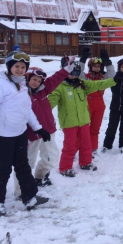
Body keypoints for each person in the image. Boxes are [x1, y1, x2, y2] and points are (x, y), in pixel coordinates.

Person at [0, 51, 50, 217]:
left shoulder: (23, 85)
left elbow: (27, 110)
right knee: (3, 169)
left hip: (19, 133)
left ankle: (30, 197)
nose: (19, 69)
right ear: (9, 67)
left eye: (23, 67)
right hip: (1, 135)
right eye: (16, 66)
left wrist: (38, 128)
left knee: (23, 166)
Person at [13, 60, 75, 198]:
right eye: (34, 79)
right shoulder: (21, 94)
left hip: (48, 132)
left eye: (39, 81)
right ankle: (20, 191)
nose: (36, 83)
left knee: (51, 158)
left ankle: (39, 177)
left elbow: (54, 79)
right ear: (27, 78)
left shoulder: (42, 92)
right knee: (26, 164)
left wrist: (67, 69)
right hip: (31, 136)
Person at [48, 62, 116, 176]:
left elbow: (98, 84)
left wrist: (114, 80)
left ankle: (85, 163)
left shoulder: (82, 84)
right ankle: (65, 167)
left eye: (76, 72)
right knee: (70, 145)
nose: (73, 75)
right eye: (70, 72)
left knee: (86, 144)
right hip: (69, 122)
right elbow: (50, 102)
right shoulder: (59, 87)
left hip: (83, 121)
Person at [78, 48, 116, 157]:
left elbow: (112, 76)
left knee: (95, 129)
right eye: (94, 66)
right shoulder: (86, 77)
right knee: (84, 128)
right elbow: (79, 73)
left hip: (99, 105)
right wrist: (83, 59)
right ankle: (81, 148)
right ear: (90, 67)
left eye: (99, 66)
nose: (96, 68)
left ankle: (93, 148)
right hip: (87, 104)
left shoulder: (103, 78)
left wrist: (108, 62)